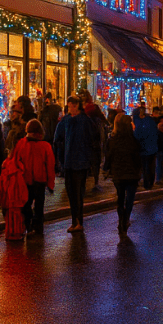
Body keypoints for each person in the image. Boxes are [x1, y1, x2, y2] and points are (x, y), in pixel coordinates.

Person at [52, 95, 99, 233]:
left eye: (71, 106)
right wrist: (62, 150)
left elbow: (93, 139)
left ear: (76, 106)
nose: (70, 108)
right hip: (69, 162)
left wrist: (88, 155)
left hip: (80, 162)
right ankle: (74, 221)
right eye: (69, 106)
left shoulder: (85, 121)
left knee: (78, 192)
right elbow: (57, 139)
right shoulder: (66, 121)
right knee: (71, 193)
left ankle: (78, 221)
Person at [13, 118, 55, 236]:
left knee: (26, 204)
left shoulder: (21, 144)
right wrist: (50, 184)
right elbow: (50, 166)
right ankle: (38, 226)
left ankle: (28, 225)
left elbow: (16, 162)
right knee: (39, 205)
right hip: (40, 180)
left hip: (25, 180)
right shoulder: (45, 146)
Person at [103, 114, 142, 235]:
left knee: (120, 198)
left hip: (118, 173)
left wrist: (106, 168)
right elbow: (138, 158)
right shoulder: (134, 140)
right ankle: (126, 218)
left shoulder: (112, 140)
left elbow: (108, 157)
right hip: (132, 174)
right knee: (129, 198)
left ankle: (121, 220)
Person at [131, 104, 159, 190]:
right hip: (152, 147)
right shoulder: (150, 121)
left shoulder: (139, 123)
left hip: (144, 148)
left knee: (145, 166)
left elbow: (138, 136)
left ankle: (147, 183)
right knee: (151, 166)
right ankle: (150, 182)